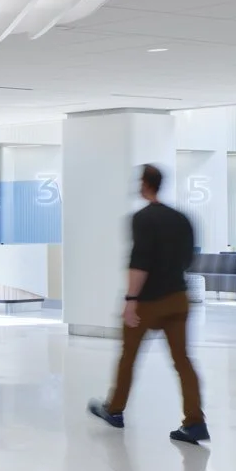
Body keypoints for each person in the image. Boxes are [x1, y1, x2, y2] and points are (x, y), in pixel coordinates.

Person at [89, 164, 208, 444]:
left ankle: (114, 410)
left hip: (148, 302)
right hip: (179, 298)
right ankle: (194, 422)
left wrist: (131, 299)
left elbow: (139, 261)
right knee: (183, 362)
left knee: (128, 357)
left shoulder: (142, 219)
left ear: (144, 184)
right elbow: (189, 259)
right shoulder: (182, 219)